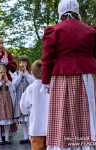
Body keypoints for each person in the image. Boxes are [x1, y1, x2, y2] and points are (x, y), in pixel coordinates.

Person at [41, 0, 96, 149]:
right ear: (77, 10)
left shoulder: (54, 30)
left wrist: (45, 81)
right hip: (89, 77)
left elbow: (47, 59)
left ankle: (67, 144)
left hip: (63, 76)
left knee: (64, 113)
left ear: (61, 11)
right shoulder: (91, 31)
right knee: (87, 112)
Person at [20, 60, 49, 150]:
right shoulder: (51, 86)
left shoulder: (31, 88)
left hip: (36, 128)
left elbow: (23, 107)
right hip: (51, 128)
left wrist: (29, 110)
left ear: (32, 73)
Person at [11, 55, 34, 144]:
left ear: (27, 63)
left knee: (30, 117)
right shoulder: (16, 74)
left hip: (29, 98)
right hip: (20, 98)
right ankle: (25, 137)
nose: (22, 64)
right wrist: (20, 74)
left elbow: (32, 82)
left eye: (24, 62)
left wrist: (26, 74)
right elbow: (14, 85)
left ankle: (31, 136)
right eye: (20, 62)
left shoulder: (31, 73)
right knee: (23, 119)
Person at [0, 64, 15, 145]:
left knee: (7, 121)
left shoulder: (8, 82)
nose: (2, 74)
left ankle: (7, 138)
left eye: (4, 72)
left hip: (6, 102)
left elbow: (12, 89)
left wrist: (8, 81)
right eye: (1, 72)